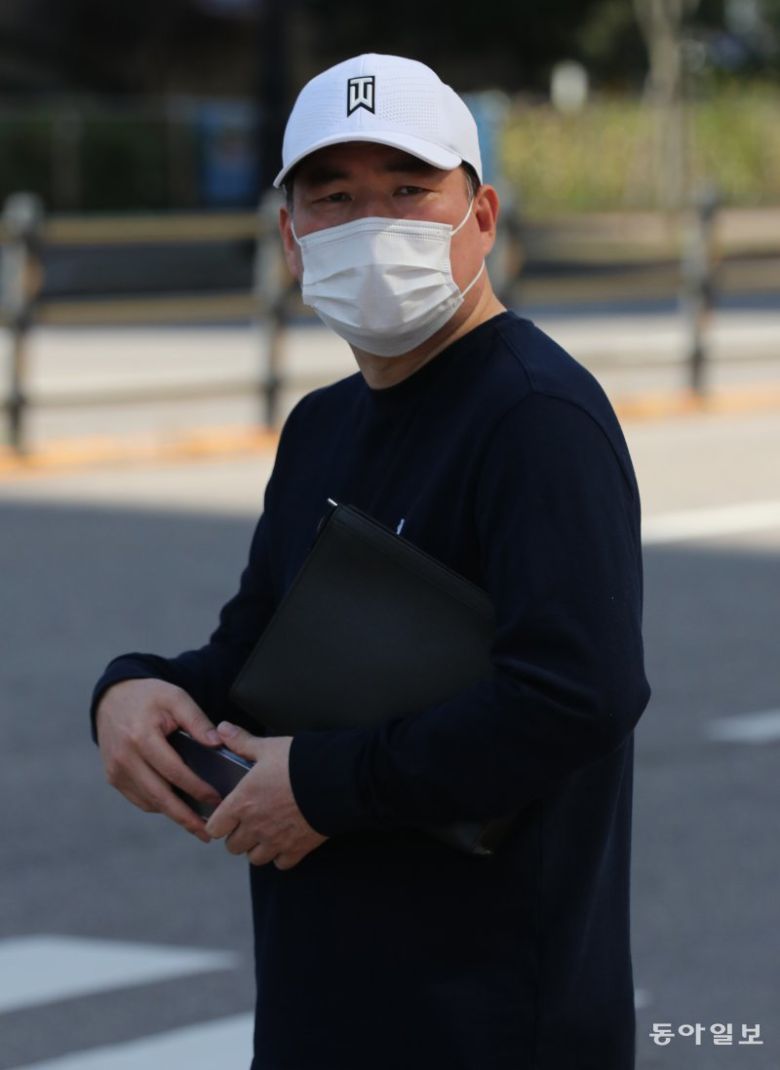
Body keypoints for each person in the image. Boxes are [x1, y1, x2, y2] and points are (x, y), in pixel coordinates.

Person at [92, 53, 651, 1070]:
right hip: (323, 1006)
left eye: (407, 190)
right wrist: (135, 689)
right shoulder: (322, 425)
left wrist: (325, 784)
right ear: (291, 238)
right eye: (335, 199)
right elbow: (256, 652)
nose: (373, 223)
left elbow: (579, 692)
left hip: (493, 1022)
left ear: (481, 215)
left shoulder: (537, 416)